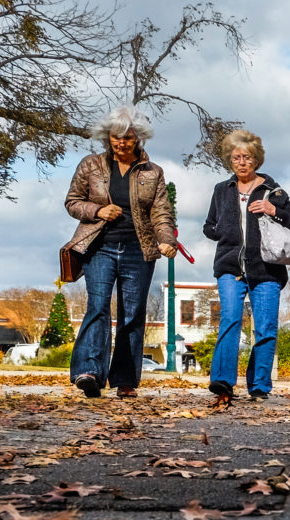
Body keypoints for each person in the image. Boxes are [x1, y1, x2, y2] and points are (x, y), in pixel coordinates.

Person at [64, 105, 177, 398]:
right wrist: (99, 210)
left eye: (127, 137)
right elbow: (73, 202)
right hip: (98, 247)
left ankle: (125, 379)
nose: (121, 143)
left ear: (138, 138)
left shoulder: (154, 172)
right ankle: (88, 372)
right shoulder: (90, 165)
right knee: (98, 307)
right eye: (116, 137)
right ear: (108, 138)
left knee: (132, 314)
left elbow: (162, 213)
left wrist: (167, 240)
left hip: (138, 251)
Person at [203, 129, 290, 402]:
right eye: (236, 157)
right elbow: (208, 226)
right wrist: (222, 231)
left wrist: (274, 210)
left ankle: (259, 385)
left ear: (257, 160)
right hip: (230, 268)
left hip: (267, 270)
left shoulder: (273, 190)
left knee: (266, 328)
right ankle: (222, 381)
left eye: (247, 157)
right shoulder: (221, 190)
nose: (242, 162)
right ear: (230, 160)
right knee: (230, 320)